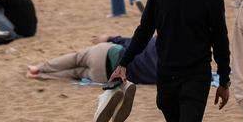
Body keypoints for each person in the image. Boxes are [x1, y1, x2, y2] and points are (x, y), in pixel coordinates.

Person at [28, 33, 159, 85]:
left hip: (105, 54)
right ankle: (41, 75)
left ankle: (39, 68)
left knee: (76, 58)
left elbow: (126, 42)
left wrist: (108, 38)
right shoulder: (163, 72)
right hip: (105, 76)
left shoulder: (149, 42)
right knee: (76, 74)